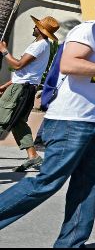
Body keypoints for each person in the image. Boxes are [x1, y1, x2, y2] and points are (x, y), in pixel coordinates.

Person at [0, 18, 95, 247]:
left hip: (94, 121)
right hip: (72, 121)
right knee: (47, 182)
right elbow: (69, 64)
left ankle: (71, 244)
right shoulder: (88, 29)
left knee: (88, 184)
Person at [0, 15, 59, 172]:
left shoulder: (38, 46)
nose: (33, 27)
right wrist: (6, 85)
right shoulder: (42, 45)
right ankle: (33, 157)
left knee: (1, 119)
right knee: (18, 123)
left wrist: (4, 51)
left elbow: (18, 65)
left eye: (36, 26)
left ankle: (33, 157)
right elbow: (27, 73)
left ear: (40, 30)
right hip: (25, 88)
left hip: (20, 90)